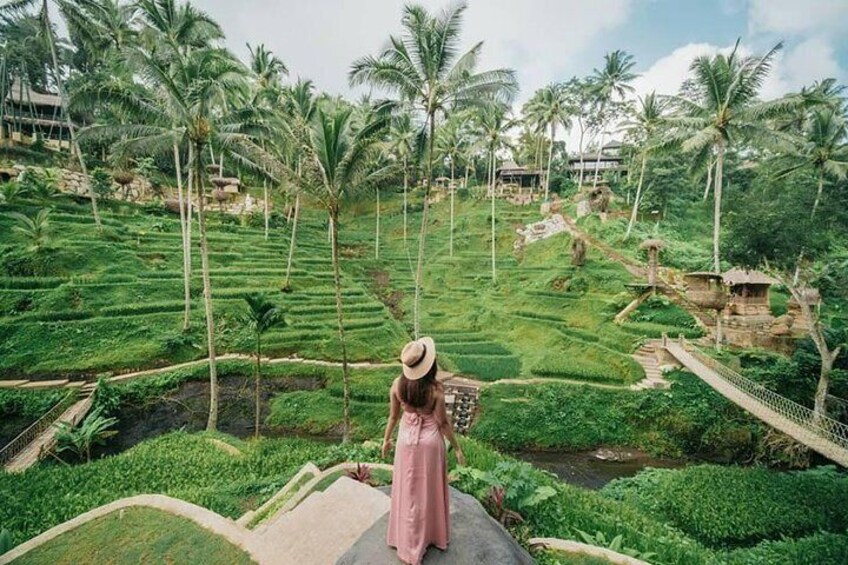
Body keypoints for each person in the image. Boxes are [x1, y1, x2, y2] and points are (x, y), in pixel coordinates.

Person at [382, 337, 465, 565]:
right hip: (429, 443)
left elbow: (393, 416)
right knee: (428, 490)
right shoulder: (435, 390)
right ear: (429, 365)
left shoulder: (397, 385)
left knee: (407, 490)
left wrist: (386, 440)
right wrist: (457, 448)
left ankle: (405, 539)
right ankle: (431, 536)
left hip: (405, 441)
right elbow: (443, 423)